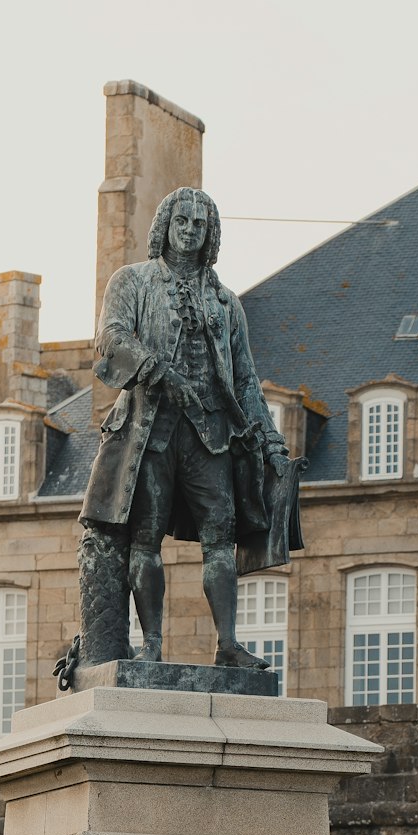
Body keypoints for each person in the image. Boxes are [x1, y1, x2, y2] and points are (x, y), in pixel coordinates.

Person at [79, 186, 289, 668]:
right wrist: (159, 372)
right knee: (144, 538)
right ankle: (151, 644)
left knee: (223, 536)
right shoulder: (133, 282)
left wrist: (273, 446)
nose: (191, 231)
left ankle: (228, 644)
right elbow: (110, 338)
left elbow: (246, 379)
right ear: (165, 226)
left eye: (200, 224)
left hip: (211, 434)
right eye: (183, 222)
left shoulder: (225, 303)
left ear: (210, 233)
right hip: (150, 431)